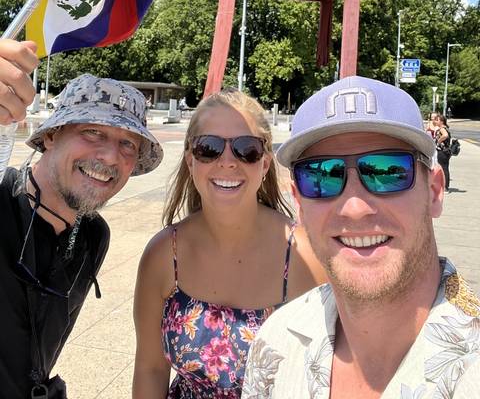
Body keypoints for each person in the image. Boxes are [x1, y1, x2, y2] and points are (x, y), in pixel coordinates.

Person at [243, 76, 480, 398]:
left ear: (435, 191)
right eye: (321, 175)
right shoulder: (278, 340)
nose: (354, 208)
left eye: (386, 170)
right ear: (299, 202)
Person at [132, 88, 326, 398]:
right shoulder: (163, 256)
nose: (227, 161)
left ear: (264, 164)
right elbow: (150, 369)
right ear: (190, 161)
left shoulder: (307, 257)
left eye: (246, 149)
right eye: (208, 148)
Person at [0, 39, 163, 398]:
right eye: (93, 132)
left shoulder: (93, 236)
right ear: (52, 134)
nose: (109, 157)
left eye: (129, 145)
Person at [435, 112, 452, 192]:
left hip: (442, 151)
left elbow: (445, 136)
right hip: (446, 151)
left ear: (441, 121)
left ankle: (445, 187)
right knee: (445, 168)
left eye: (437, 120)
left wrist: (438, 141)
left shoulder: (442, 129)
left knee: (443, 168)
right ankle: (445, 186)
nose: (435, 121)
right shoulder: (446, 128)